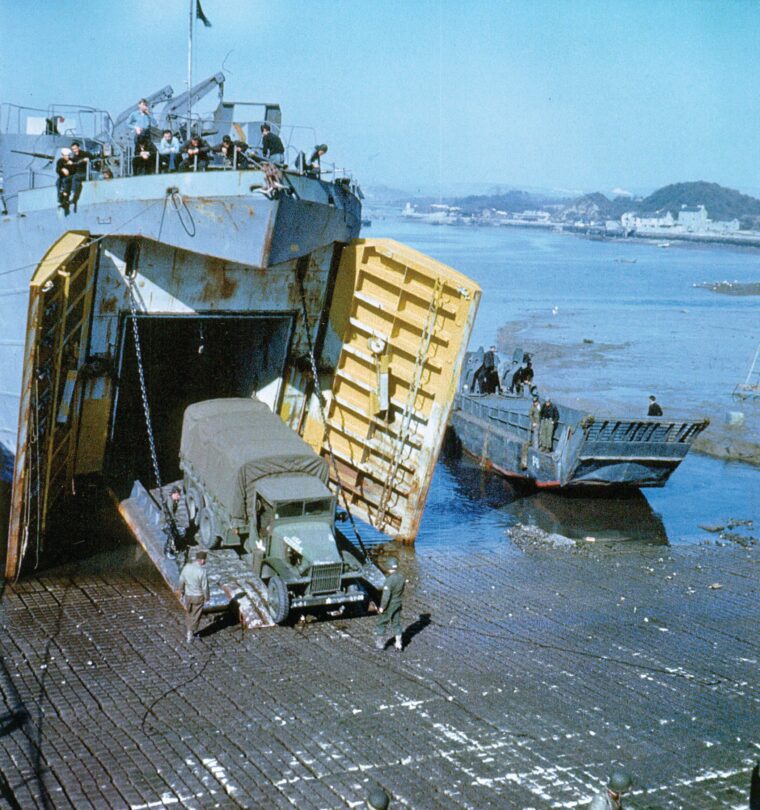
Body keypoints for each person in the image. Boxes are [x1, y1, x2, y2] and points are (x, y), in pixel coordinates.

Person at [375, 557, 405, 651]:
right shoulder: (401, 577)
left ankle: (380, 644)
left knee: (382, 622)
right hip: (398, 602)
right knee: (396, 623)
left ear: (388, 566)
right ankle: (399, 643)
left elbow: (386, 596)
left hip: (390, 604)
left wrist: (382, 607)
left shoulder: (389, 580)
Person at [179, 549, 209, 643]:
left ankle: (188, 630)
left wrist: (181, 591)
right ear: (202, 560)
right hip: (198, 596)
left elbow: (181, 580)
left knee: (189, 612)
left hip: (188, 595)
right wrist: (207, 597)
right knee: (196, 615)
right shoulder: (202, 571)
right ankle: (191, 634)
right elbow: (205, 587)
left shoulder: (187, 567)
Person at [69, 141, 93, 210]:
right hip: (78, 174)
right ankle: (74, 199)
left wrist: (87, 159)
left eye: (75, 148)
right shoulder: (74, 156)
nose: (74, 150)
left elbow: (91, 157)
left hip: (85, 173)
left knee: (75, 178)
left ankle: (73, 193)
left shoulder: (84, 153)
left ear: (78, 148)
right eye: (73, 149)